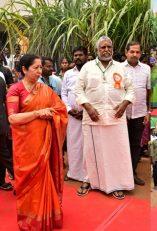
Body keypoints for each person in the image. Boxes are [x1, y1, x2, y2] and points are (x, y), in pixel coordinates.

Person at [6, 54, 68, 230]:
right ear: (24, 69)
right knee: (27, 183)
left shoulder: (45, 90)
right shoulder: (15, 90)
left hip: (44, 144)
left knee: (44, 179)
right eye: (36, 68)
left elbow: (60, 110)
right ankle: (30, 220)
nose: (40, 71)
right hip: (26, 146)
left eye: (41, 67)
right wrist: (38, 113)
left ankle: (46, 217)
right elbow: (13, 118)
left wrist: (52, 115)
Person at [74, 36, 135, 200]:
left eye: (109, 47)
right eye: (103, 47)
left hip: (116, 116)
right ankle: (90, 181)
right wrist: (88, 107)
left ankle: (116, 184)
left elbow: (131, 90)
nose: (106, 49)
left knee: (116, 152)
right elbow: (78, 91)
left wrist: (124, 104)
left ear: (113, 49)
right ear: (97, 50)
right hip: (94, 117)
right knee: (91, 152)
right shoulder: (87, 67)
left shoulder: (121, 68)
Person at [124, 41, 150, 186]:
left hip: (140, 113)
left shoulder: (146, 69)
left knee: (135, 145)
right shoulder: (118, 68)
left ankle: (132, 173)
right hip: (122, 114)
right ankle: (121, 174)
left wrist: (148, 111)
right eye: (132, 52)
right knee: (121, 144)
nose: (134, 54)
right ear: (126, 52)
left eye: (137, 52)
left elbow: (148, 91)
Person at [61, 46, 87, 182]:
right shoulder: (68, 74)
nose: (77, 57)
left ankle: (87, 174)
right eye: (75, 55)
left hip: (89, 115)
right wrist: (69, 109)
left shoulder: (92, 72)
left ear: (86, 56)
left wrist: (86, 111)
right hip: (72, 115)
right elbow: (64, 93)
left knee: (87, 144)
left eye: (80, 55)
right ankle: (73, 172)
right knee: (73, 144)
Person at [0, 71, 14, 191]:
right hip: (2, 123)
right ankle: (1, 181)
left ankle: (23, 180)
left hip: (1, 124)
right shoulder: (1, 79)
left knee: (4, 154)